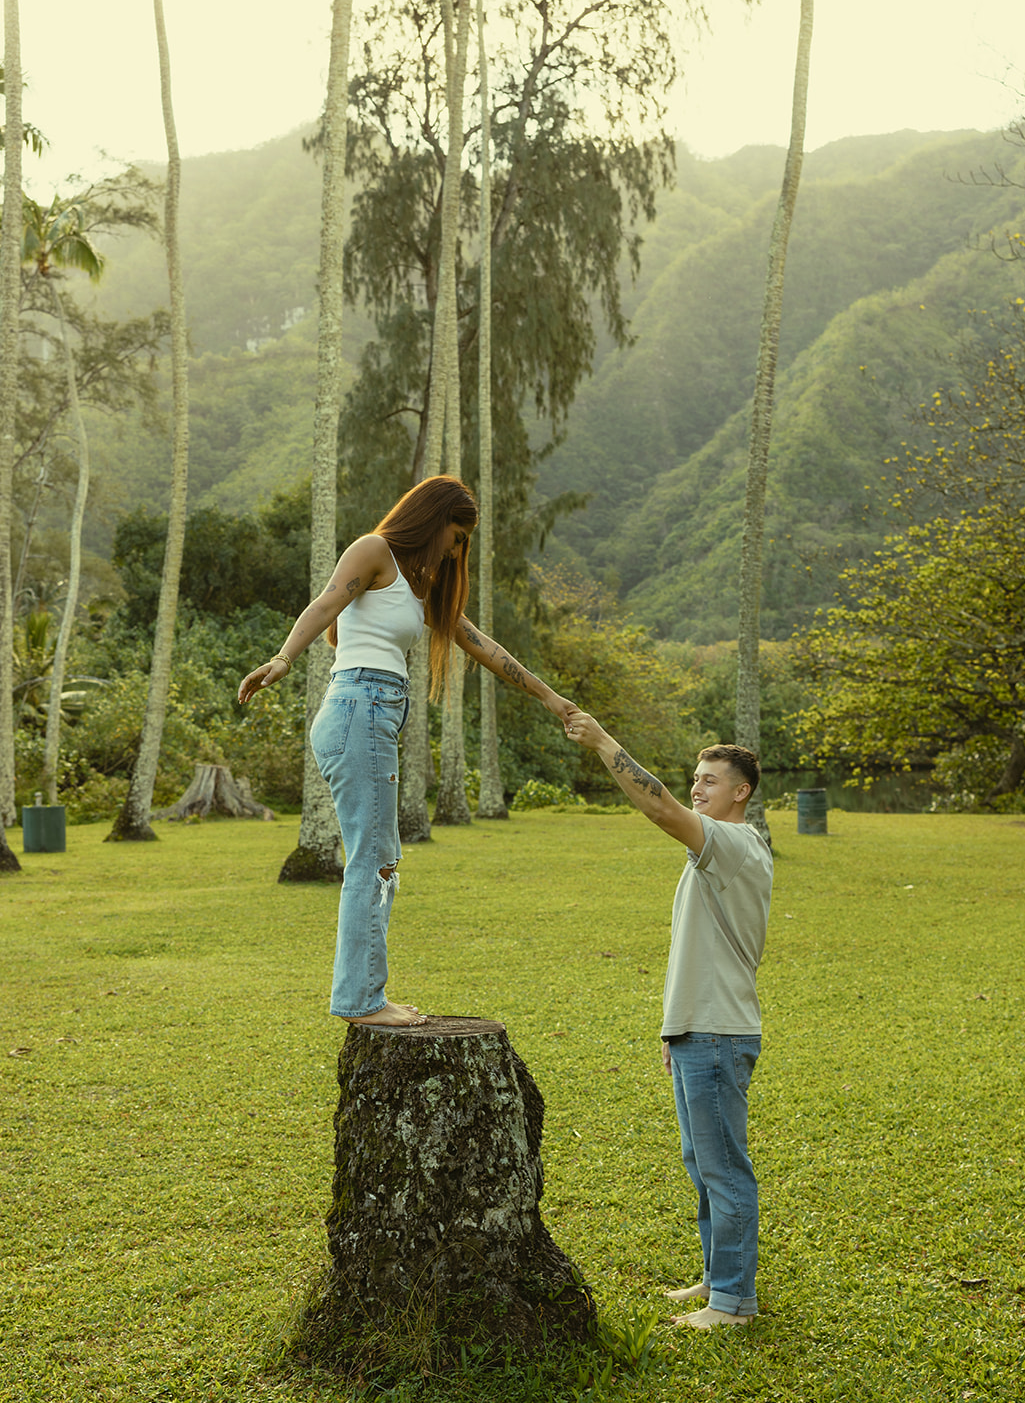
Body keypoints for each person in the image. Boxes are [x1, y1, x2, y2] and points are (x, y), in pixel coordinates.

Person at [238, 475, 576, 1029]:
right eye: (457, 533)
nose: (457, 547)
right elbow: (326, 603)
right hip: (358, 708)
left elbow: (482, 646)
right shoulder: (375, 552)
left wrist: (551, 698)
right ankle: (362, 1001)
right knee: (372, 863)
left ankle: (365, 994)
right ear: (433, 517)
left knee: (384, 863)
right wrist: (283, 659)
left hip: (376, 715)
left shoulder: (421, 587)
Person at [564, 714, 773, 1328]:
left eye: (711, 781)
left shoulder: (733, 843)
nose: (697, 788)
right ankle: (716, 1278)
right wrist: (671, 1028)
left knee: (725, 1169)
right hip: (696, 1029)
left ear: (742, 792)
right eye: (695, 779)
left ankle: (734, 1302)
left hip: (718, 1031)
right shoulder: (715, 847)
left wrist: (604, 743)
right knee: (701, 1164)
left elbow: (659, 810)